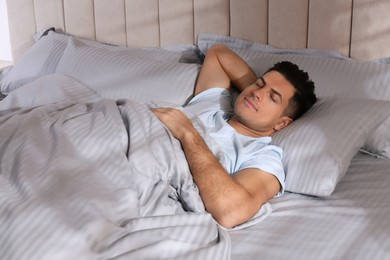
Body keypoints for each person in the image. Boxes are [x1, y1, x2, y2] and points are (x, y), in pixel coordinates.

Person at [152, 44, 316, 228]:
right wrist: (257, 97)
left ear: (282, 123)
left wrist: (188, 134)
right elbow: (218, 53)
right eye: (259, 84)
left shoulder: (264, 157)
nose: (257, 93)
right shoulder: (215, 103)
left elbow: (231, 212)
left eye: (273, 97)